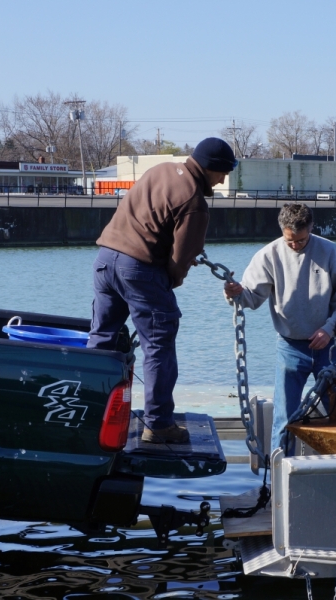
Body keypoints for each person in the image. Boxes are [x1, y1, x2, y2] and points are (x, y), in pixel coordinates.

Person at [87, 138, 238, 444]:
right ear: (210, 169)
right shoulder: (194, 201)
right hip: (139, 268)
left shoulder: (161, 170)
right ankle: (158, 424)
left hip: (105, 259)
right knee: (158, 343)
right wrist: (169, 282)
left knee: (102, 337)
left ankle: (90, 413)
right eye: (222, 172)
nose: (223, 179)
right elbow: (180, 261)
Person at [223, 203, 336, 451]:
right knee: (284, 417)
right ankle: (280, 473)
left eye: (301, 240)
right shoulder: (268, 255)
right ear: (282, 232)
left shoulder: (330, 252)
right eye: (290, 241)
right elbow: (250, 297)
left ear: (311, 228)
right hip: (290, 347)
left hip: (330, 346)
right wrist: (235, 293)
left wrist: (330, 329)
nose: (295, 245)